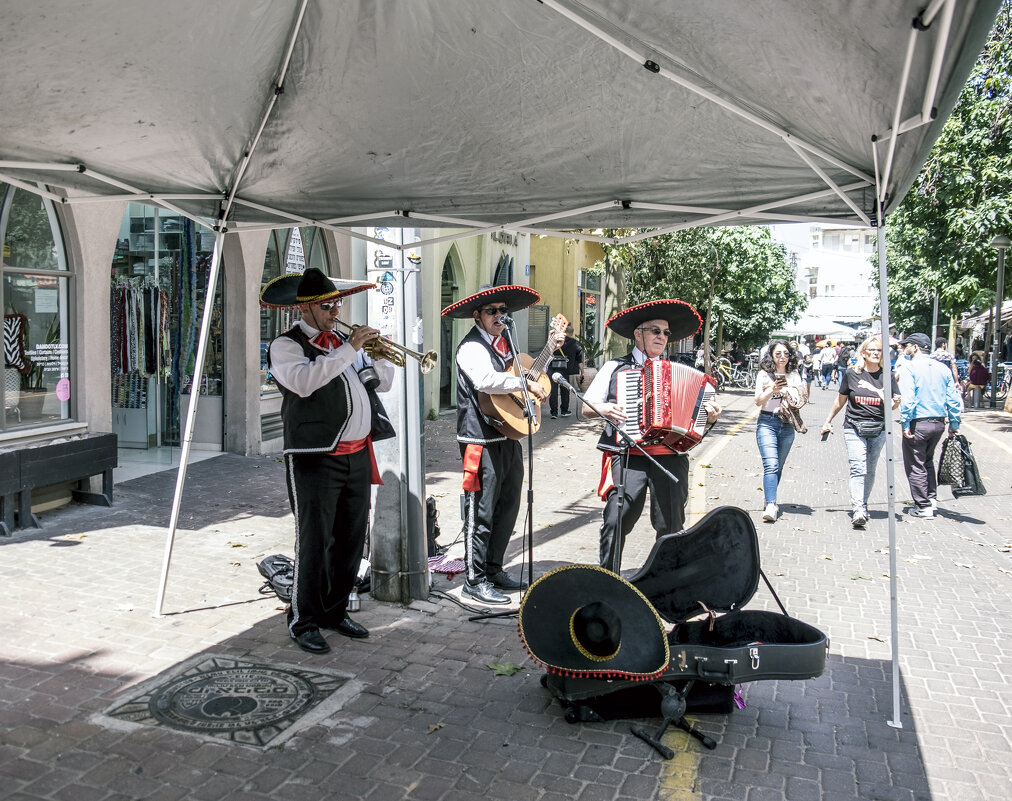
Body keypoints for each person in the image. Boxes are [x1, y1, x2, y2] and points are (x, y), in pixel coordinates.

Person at [261, 268, 395, 654]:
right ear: (306, 308)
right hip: (314, 456)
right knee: (314, 540)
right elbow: (304, 383)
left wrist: (378, 355)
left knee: (351, 540)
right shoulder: (285, 346)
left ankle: (334, 611)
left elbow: (380, 384)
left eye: (337, 303)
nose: (335, 311)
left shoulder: (341, 342)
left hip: (356, 454)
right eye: (326, 305)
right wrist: (350, 348)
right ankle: (303, 619)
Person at [583, 300, 722, 570]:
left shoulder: (681, 370)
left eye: (666, 333)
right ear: (638, 334)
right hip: (628, 455)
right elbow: (587, 408)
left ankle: (664, 580)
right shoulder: (615, 368)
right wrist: (604, 408)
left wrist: (711, 417)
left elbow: (696, 423)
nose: (661, 337)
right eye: (655, 331)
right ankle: (607, 579)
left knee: (670, 524)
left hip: (669, 456)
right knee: (616, 518)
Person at [441, 286, 551, 605]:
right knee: (481, 507)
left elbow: (520, 375)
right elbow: (485, 380)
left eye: (504, 311)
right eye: (492, 311)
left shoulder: (507, 345)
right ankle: (474, 579)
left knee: (508, 503)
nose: (500, 317)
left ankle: (494, 568)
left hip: (508, 433)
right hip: (479, 438)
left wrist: (533, 375)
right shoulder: (471, 347)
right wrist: (523, 383)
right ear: (477, 316)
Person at [820, 338, 899, 528]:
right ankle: (858, 509)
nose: (875, 353)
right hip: (854, 426)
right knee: (858, 467)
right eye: (871, 349)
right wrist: (828, 421)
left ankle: (863, 503)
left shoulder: (887, 375)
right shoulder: (851, 374)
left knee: (870, 469)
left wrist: (895, 404)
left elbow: (893, 404)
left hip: (878, 428)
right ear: (863, 352)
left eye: (879, 350)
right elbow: (840, 401)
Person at [896, 332, 962, 519]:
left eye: (906, 345)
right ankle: (931, 499)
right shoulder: (943, 369)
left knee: (915, 464)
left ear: (915, 347)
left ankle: (923, 506)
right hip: (939, 423)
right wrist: (954, 422)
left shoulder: (909, 367)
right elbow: (953, 398)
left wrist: (905, 422)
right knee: (927, 461)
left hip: (919, 422)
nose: (904, 348)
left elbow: (908, 399)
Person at [754, 339, 805, 523]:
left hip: (787, 424)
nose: (782, 357)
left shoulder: (794, 374)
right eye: (778, 354)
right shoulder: (764, 375)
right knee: (771, 465)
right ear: (771, 356)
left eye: (785, 353)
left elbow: (799, 399)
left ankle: (769, 497)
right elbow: (758, 401)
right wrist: (772, 390)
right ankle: (771, 505)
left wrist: (787, 392)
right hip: (767, 422)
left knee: (779, 466)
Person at [548, 324, 584, 419]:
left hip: (553, 369)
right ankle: (564, 411)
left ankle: (554, 412)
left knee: (553, 391)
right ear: (571, 333)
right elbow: (579, 360)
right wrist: (582, 372)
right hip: (565, 370)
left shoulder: (555, 341)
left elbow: (547, 352)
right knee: (565, 390)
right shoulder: (575, 344)